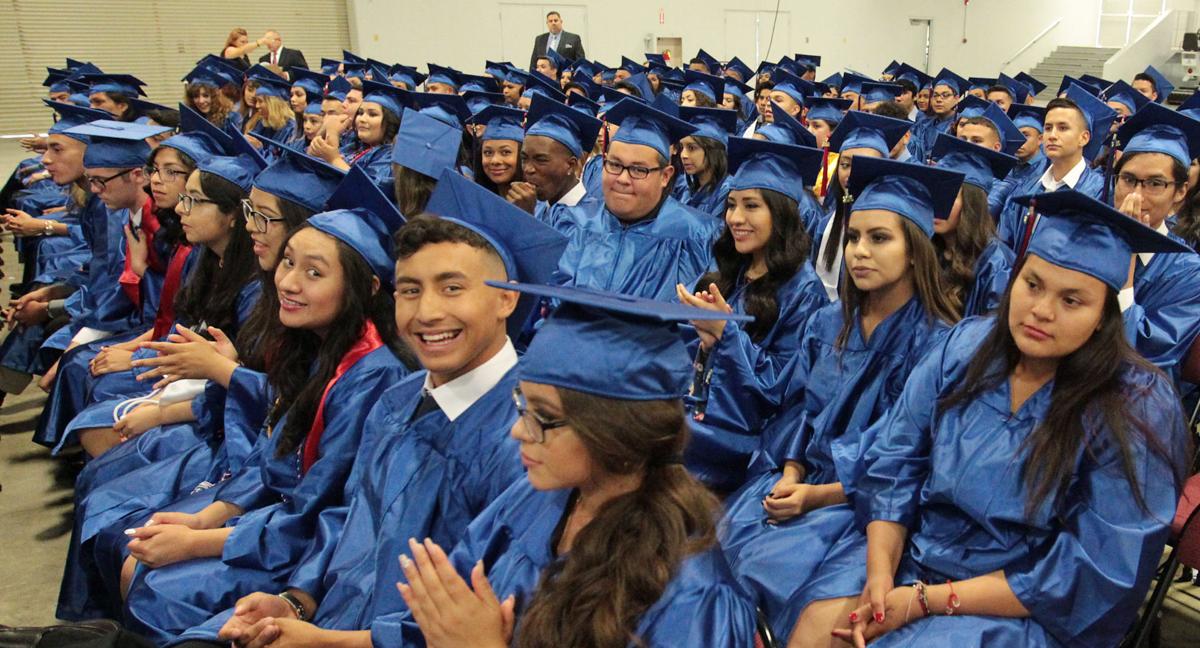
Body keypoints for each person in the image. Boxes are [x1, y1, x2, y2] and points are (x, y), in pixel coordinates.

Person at [178, 170, 568, 648]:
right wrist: (296, 601)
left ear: (507, 298)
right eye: (409, 289)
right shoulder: (397, 399)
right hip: (331, 619)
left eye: (452, 288)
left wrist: (327, 641)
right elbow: (349, 516)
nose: (425, 312)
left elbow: (489, 615)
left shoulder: (529, 437)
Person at [796, 190, 1191, 648]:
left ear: (1104, 316)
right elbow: (894, 460)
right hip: (915, 551)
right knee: (816, 626)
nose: (1041, 311)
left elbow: (1089, 570)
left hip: (1017, 600)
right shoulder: (967, 346)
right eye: (1033, 284)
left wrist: (926, 601)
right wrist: (881, 577)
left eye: (1072, 301)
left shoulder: (1135, 405)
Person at [119, 170, 412, 642]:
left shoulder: (373, 375)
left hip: (316, 555)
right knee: (136, 550)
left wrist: (203, 538)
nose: (288, 282)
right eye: (289, 263)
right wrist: (205, 520)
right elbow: (274, 450)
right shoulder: (312, 343)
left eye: (314, 273)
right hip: (277, 521)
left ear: (367, 287)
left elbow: (322, 507)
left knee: (156, 583)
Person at [391, 282, 759, 648]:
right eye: (522, 404)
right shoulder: (534, 497)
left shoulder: (693, 597)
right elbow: (446, 616)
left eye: (543, 416)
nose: (518, 430)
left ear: (615, 431)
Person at [719, 157, 962, 641]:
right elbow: (797, 412)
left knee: (775, 590)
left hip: (870, 512)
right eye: (853, 237)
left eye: (879, 238)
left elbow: (909, 460)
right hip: (799, 482)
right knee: (708, 564)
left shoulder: (941, 346)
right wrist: (791, 472)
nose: (859, 252)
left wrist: (817, 496)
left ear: (915, 250)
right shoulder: (828, 323)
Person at [675, 136, 830, 493]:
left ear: (782, 213)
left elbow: (784, 390)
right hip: (700, 412)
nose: (735, 218)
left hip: (747, 438)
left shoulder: (804, 293)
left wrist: (725, 335)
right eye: (731, 205)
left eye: (751, 206)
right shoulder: (725, 273)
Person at [554, 98, 722, 302]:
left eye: (638, 170)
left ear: (665, 176)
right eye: (614, 165)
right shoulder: (572, 222)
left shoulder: (699, 237)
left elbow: (695, 324)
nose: (623, 179)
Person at [1110, 103, 1200, 385]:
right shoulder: (1083, 241)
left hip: (1135, 402)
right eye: (1128, 179)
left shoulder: (1190, 273)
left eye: (1155, 184)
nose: (1137, 195)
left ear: (1180, 191)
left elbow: (1144, 356)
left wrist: (1124, 266)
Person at [996, 87, 1116, 247]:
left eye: (1063, 128)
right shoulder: (1024, 188)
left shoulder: (1100, 193)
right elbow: (1003, 245)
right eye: (1047, 128)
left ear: (1084, 138)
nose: (1052, 135)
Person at [813, 111, 913, 300]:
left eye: (865, 164)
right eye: (845, 164)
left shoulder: (899, 229)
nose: (852, 173)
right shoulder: (825, 225)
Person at [927, 133, 1018, 317]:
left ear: (971, 204)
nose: (938, 205)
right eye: (934, 194)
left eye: (949, 196)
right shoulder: (930, 249)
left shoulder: (997, 263)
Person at [518, 94, 600, 230]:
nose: (528, 169)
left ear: (571, 165)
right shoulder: (537, 206)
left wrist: (526, 220)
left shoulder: (593, 221)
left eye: (541, 160)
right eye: (524, 158)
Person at [676, 106, 738, 219]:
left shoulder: (727, 192)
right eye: (681, 147)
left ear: (712, 150)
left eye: (691, 148)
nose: (683, 155)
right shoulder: (687, 188)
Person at [988, 105, 1047, 217]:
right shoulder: (1006, 166)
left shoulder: (1047, 169)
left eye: (1026, 135)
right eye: (1016, 135)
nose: (1020, 140)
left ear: (1040, 139)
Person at [904, 68, 967, 164]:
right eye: (935, 95)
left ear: (957, 98)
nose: (939, 100)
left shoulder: (962, 125)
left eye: (945, 95)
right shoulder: (923, 124)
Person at [466, 105, 526, 199]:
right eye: (488, 153)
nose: (495, 161)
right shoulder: (474, 199)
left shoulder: (540, 209)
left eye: (505, 152)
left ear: (522, 156)